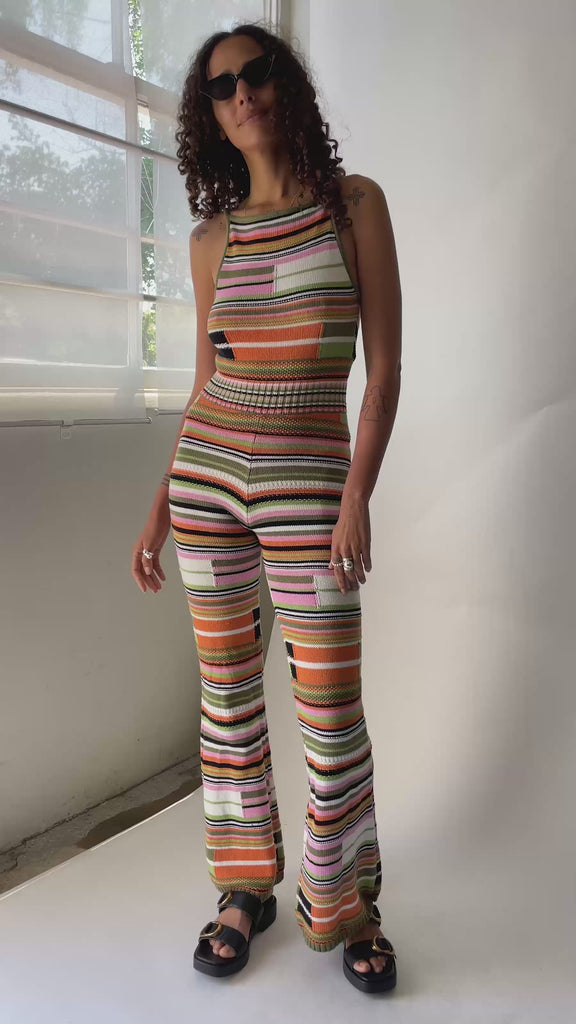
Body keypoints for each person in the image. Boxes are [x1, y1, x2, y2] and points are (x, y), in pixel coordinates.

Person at [131, 22, 402, 993]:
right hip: (208, 482)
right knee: (227, 698)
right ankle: (245, 883)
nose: (241, 93)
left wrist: (357, 492)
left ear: (284, 84)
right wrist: (161, 508)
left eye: (255, 74)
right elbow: (205, 385)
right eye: (220, 87)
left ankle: (348, 903)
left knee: (329, 707)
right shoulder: (212, 239)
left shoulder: (353, 205)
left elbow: (383, 370)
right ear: (209, 116)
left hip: (312, 487)